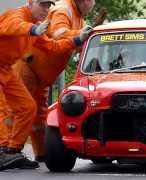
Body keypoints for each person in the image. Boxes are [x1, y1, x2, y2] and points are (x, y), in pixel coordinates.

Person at [0, 0, 92, 170]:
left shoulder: (37, 27)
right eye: (42, 5)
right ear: (30, 3)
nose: (46, 9)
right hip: (8, 66)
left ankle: (12, 151)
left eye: (48, 5)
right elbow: (13, 26)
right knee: (4, 109)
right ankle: (2, 151)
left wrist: (77, 39)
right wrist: (33, 30)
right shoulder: (17, 16)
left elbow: (53, 47)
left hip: (5, 68)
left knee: (27, 107)